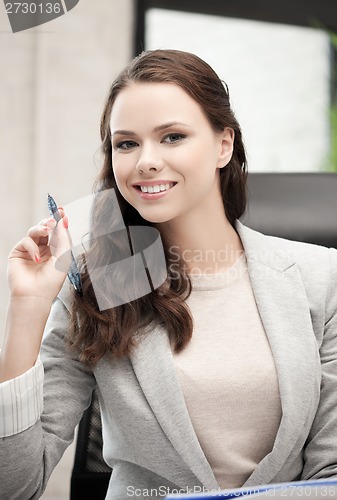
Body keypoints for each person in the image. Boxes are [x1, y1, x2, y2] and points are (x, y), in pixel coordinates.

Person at [0, 49, 337, 500]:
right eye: (126, 143)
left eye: (173, 137)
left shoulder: (323, 279)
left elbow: (330, 475)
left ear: (223, 145)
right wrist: (28, 306)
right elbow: (14, 486)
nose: (146, 161)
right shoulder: (98, 285)